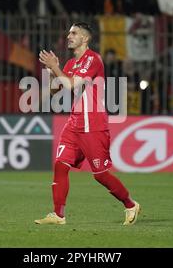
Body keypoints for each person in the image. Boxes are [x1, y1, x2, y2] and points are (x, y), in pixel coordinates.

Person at [36, 22, 141, 225]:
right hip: (74, 123)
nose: (69, 36)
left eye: (74, 33)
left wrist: (56, 67)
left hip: (93, 124)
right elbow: (56, 90)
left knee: (100, 175)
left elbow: (72, 84)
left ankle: (130, 204)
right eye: (68, 33)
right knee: (60, 165)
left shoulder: (93, 59)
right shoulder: (70, 64)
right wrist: (51, 71)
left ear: (85, 38)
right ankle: (58, 215)